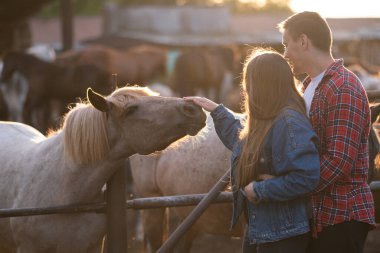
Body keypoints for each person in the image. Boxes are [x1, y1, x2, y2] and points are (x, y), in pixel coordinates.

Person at [185, 48, 320, 253]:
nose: (246, 88)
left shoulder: (289, 123)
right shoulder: (267, 117)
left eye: (249, 81)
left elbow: (306, 177)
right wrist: (217, 111)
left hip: (284, 234)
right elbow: (243, 143)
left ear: (264, 84)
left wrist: (259, 190)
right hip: (261, 228)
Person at [278, 11, 376, 253]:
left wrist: (290, 187)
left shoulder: (344, 86)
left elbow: (339, 159)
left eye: (286, 44)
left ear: (303, 41)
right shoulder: (309, 85)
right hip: (320, 212)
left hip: (342, 214)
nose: (285, 53)